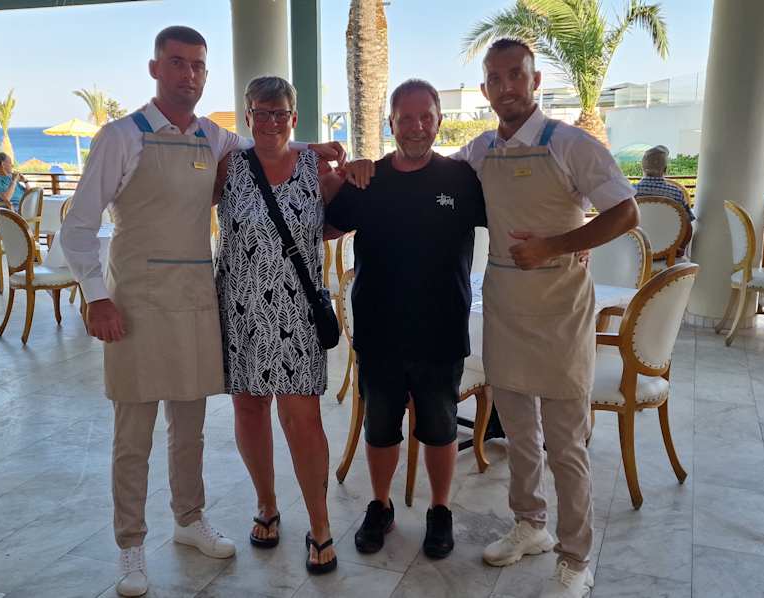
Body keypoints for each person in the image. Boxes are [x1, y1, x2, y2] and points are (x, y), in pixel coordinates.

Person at [58, 26, 344, 597]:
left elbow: (272, 144)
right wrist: (96, 296)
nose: (188, 74)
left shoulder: (214, 139)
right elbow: (78, 226)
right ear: (155, 68)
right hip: (135, 301)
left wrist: (318, 148)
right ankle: (131, 544)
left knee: (188, 428)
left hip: (196, 302)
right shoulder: (120, 136)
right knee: (133, 433)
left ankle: (189, 520)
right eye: (176, 62)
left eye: (197, 65)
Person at [454, 39, 638, 598]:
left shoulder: (570, 144)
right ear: (485, 89)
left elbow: (625, 212)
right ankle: (530, 524)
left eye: (516, 75)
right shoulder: (481, 150)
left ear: (535, 81)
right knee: (518, 434)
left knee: (565, 445)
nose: (506, 86)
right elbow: (431, 180)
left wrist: (557, 245)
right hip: (505, 307)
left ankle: (576, 558)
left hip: (560, 310)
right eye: (495, 78)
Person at [325, 79, 485, 560]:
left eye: (425, 117)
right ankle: (381, 505)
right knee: (379, 429)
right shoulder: (369, 179)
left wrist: (572, 242)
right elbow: (325, 225)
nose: (417, 127)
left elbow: (515, 214)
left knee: (440, 428)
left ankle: (440, 509)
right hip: (380, 331)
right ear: (391, 123)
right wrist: (339, 173)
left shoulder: (461, 179)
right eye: (406, 118)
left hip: (441, 330)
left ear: (439, 121)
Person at [212, 75, 346, 575]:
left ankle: (320, 524)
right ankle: (266, 505)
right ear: (248, 116)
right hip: (240, 310)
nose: (271, 122)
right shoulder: (229, 166)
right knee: (249, 409)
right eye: (261, 112)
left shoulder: (316, 168)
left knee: (302, 420)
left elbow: (338, 221)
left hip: (296, 314)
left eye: (280, 113)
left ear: (294, 117)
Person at [634, 145, 695, 222]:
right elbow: (688, 219)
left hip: (637, 230)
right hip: (672, 230)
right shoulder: (677, 193)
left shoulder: (631, 192)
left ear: (642, 168)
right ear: (665, 169)